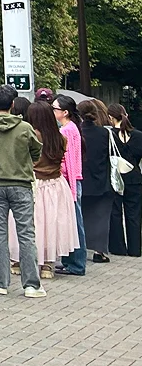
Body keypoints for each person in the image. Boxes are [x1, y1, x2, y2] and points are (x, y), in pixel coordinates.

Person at [0, 85, 46, 297]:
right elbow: (36, 151)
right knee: (26, 234)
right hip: (21, 183)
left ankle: (0, 283)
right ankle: (31, 285)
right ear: (13, 104)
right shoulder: (24, 127)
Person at [12, 102, 79, 278]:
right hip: (56, 184)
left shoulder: (28, 136)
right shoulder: (60, 138)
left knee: (28, 223)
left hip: (33, 183)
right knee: (51, 225)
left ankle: (19, 261)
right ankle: (48, 265)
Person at [77, 99, 114, 264]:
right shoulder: (104, 133)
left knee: (80, 216)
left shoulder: (76, 131)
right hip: (100, 178)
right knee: (100, 217)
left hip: (81, 178)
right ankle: (99, 252)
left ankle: (79, 248)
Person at [53, 94, 86, 276]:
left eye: (55, 108)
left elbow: (67, 160)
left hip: (69, 180)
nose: (53, 111)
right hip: (73, 179)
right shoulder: (72, 128)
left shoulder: (66, 130)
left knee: (74, 221)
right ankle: (70, 261)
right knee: (73, 221)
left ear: (65, 112)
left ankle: (76, 263)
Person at [109, 104, 142, 257]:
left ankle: (118, 248)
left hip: (115, 179)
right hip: (134, 178)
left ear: (110, 117)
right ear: (126, 115)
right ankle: (135, 249)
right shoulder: (138, 135)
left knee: (115, 213)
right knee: (134, 214)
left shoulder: (109, 135)